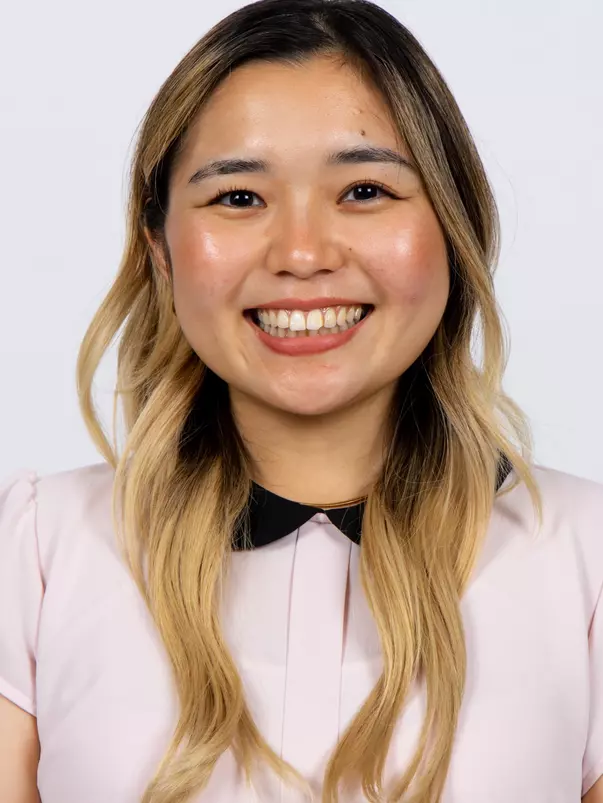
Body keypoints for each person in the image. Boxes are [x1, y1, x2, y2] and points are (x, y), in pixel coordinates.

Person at [1, 0, 602, 801]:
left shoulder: (586, 558)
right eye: (239, 198)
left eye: (363, 189)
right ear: (160, 251)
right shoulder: (37, 553)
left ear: (453, 228)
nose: (301, 255)